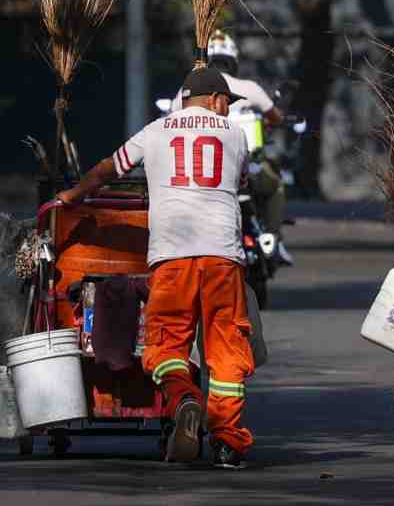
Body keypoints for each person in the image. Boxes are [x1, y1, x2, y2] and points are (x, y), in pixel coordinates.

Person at [59, 67, 256, 469]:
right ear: (217, 100)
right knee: (227, 351)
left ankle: (183, 397)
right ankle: (227, 443)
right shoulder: (234, 135)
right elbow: (243, 184)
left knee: (165, 347)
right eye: (227, 104)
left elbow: (109, 169)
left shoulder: (155, 131)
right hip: (222, 257)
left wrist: (73, 194)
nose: (228, 111)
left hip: (172, 257)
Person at [168, 30, 292, 265]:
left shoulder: (186, 94)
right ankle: (274, 239)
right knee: (274, 183)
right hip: (242, 173)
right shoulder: (250, 89)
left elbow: (169, 121)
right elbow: (275, 117)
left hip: (201, 174)